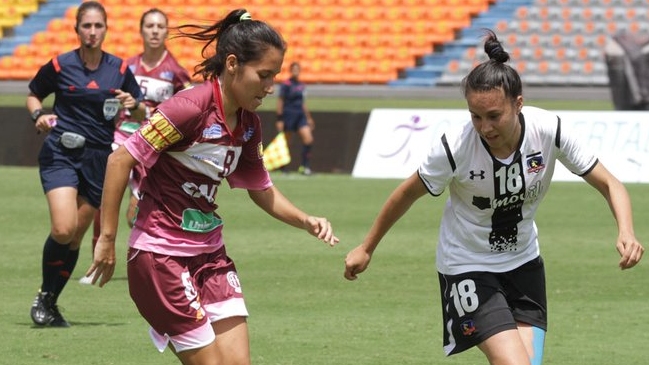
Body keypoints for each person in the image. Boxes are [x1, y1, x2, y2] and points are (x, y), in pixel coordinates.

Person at [344, 29, 644, 365]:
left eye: (494, 116)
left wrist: (626, 231)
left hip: (525, 265)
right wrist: (367, 248)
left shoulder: (549, 130)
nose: (485, 127)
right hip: (467, 266)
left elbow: (610, 183)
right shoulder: (454, 147)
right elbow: (405, 194)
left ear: (518, 104)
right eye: (475, 116)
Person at [86, 9, 338, 365]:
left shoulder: (249, 125)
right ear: (232, 64)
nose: (270, 87)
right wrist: (107, 240)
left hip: (211, 258)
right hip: (161, 258)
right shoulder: (189, 107)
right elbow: (119, 160)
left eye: (275, 77)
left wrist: (305, 220)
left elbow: (261, 188)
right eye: (264, 75)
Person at [26, 0, 144, 327]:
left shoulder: (119, 69)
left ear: (106, 29)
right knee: (63, 228)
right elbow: (34, 93)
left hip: (98, 160)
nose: (92, 32)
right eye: (86, 26)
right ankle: (45, 300)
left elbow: (140, 112)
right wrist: (39, 115)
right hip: (60, 152)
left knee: (76, 237)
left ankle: (48, 300)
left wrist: (133, 106)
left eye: (98, 26)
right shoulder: (61, 65)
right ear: (76, 29)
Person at [86, 7, 191, 271]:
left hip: (154, 144)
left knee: (139, 213)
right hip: (122, 137)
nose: (155, 31)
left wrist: (147, 111)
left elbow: (186, 111)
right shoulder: (127, 66)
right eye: (150, 26)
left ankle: (148, 255)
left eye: (160, 27)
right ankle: (99, 250)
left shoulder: (176, 72)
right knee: (104, 192)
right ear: (141, 30)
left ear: (167, 32)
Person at [275, 61, 315, 175]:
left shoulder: (301, 85)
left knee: (308, 139)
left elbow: (303, 103)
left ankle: (305, 167)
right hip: (289, 115)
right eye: (294, 69)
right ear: (291, 71)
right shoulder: (286, 84)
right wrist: (279, 118)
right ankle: (284, 167)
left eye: (298, 69)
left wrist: (309, 117)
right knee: (287, 142)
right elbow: (280, 101)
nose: (296, 72)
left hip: (300, 115)